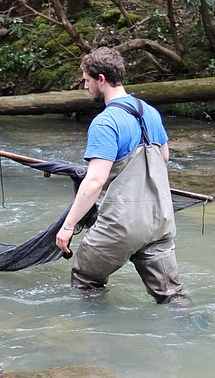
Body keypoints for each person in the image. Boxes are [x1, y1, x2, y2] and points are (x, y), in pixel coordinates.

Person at [55, 47, 189, 304]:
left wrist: (68, 226)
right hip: (159, 220)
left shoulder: (106, 122)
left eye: (87, 80)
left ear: (101, 79)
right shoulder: (150, 112)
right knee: (173, 295)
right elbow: (164, 158)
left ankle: (95, 339)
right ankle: (192, 333)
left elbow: (95, 181)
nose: (85, 86)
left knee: (86, 280)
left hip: (122, 224)